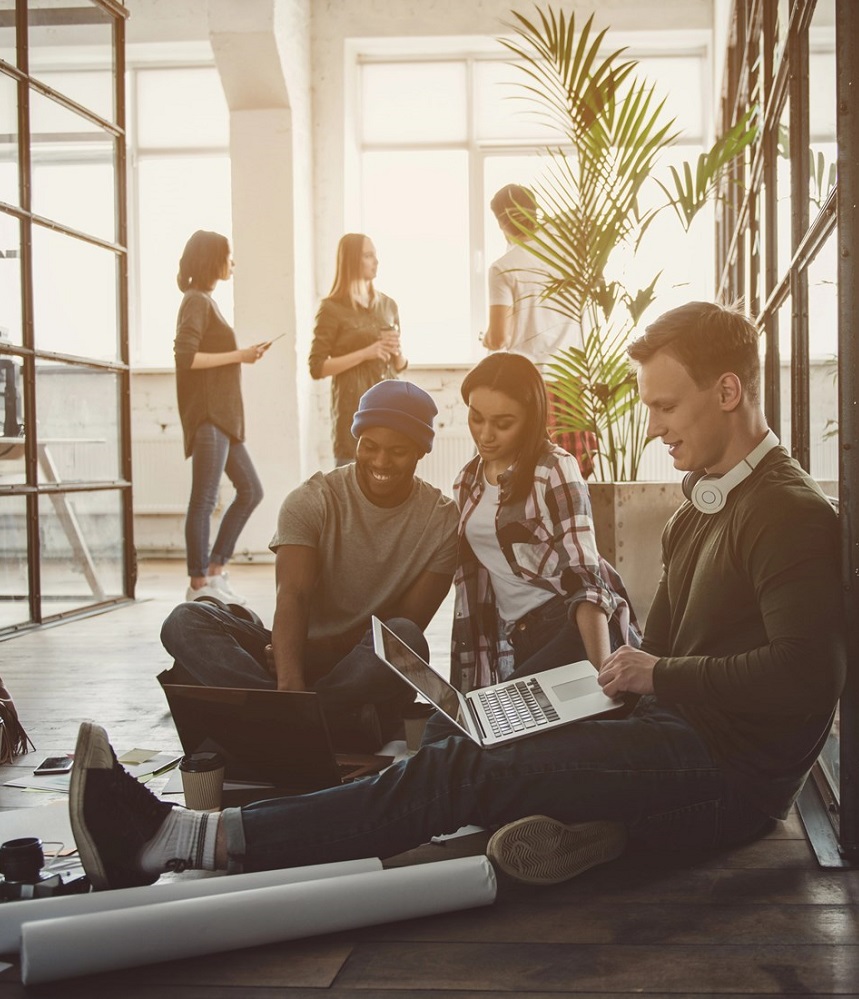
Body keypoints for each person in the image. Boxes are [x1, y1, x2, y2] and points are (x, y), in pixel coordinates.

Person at [70, 301, 845, 892]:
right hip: (668, 732)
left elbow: (806, 680)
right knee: (458, 741)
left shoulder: (790, 512)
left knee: (459, 772)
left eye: (665, 406)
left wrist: (650, 677)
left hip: (726, 779)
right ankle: (590, 826)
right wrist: (587, 696)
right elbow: (663, 655)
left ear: (729, 389)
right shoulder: (699, 503)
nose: (652, 427)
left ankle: (177, 838)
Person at [160, 379, 458, 750]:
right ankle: (315, 717)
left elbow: (400, 632)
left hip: (357, 663)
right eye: (370, 447)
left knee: (406, 640)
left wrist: (322, 651)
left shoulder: (442, 520)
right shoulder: (311, 500)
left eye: (398, 451)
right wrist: (290, 685)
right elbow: (293, 596)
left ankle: (270, 719)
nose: (381, 462)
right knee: (184, 621)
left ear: (420, 451)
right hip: (291, 653)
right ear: (357, 442)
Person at [449, 352, 637, 699]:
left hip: (568, 629)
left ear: (530, 419)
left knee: (467, 734)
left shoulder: (554, 469)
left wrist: (605, 679)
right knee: (475, 726)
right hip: (520, 638)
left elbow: (586, 581)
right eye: (476, 418)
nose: (485, 435)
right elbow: (475, 590)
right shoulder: (467, 482)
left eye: (503, 423)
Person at [174, 230, 268, 606]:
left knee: (251, 491)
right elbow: (186, 358)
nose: (233, 263)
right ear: (212, 259)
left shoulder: (205, 301)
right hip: (210, 418)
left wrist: (242, 355)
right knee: (204, 499)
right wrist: (239, 355)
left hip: (224, 421)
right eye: (228, 256)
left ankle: (214, 571)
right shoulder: (196, 301)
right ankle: (198, 584)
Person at [482, 184, 595, 478]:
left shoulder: (504, 267)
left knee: (527, 470)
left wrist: (485, 337)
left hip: (529, 383)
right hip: (572, 380)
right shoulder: (568, 257)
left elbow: (498, 338)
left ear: (501, 222)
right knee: (571, 470)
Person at [309, 233, 408, 466]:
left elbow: (399, 365)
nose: (376, 261)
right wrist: (367, 352)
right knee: (350, 486)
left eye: (375, 255)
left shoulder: (388, 305)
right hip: (353, 412)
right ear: (352, 260)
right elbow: (317, 367)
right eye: (368, 255)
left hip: (390, 407)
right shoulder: (331, 308)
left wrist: (397, 352)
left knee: (391, 484)